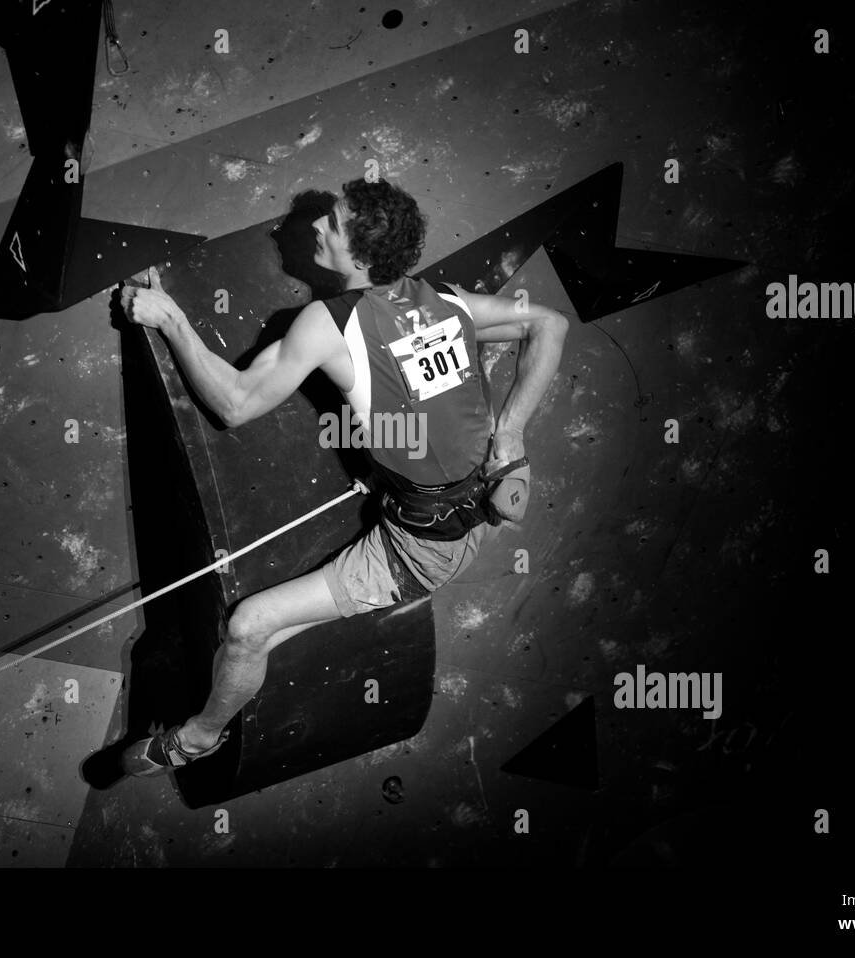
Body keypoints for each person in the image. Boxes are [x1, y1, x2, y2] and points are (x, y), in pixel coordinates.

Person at [119, 178, 567, 773]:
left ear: (357, 256)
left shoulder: (326, 325)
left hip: (417, 553)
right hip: (476, 506)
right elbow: (548, 325)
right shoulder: (448, 302)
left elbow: (234, 404)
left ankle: (197, 739)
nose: (311, 227)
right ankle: (240, 673)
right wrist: (504, 433)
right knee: (257, 641)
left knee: (249, 628)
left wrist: (169, 317)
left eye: (328, 222)